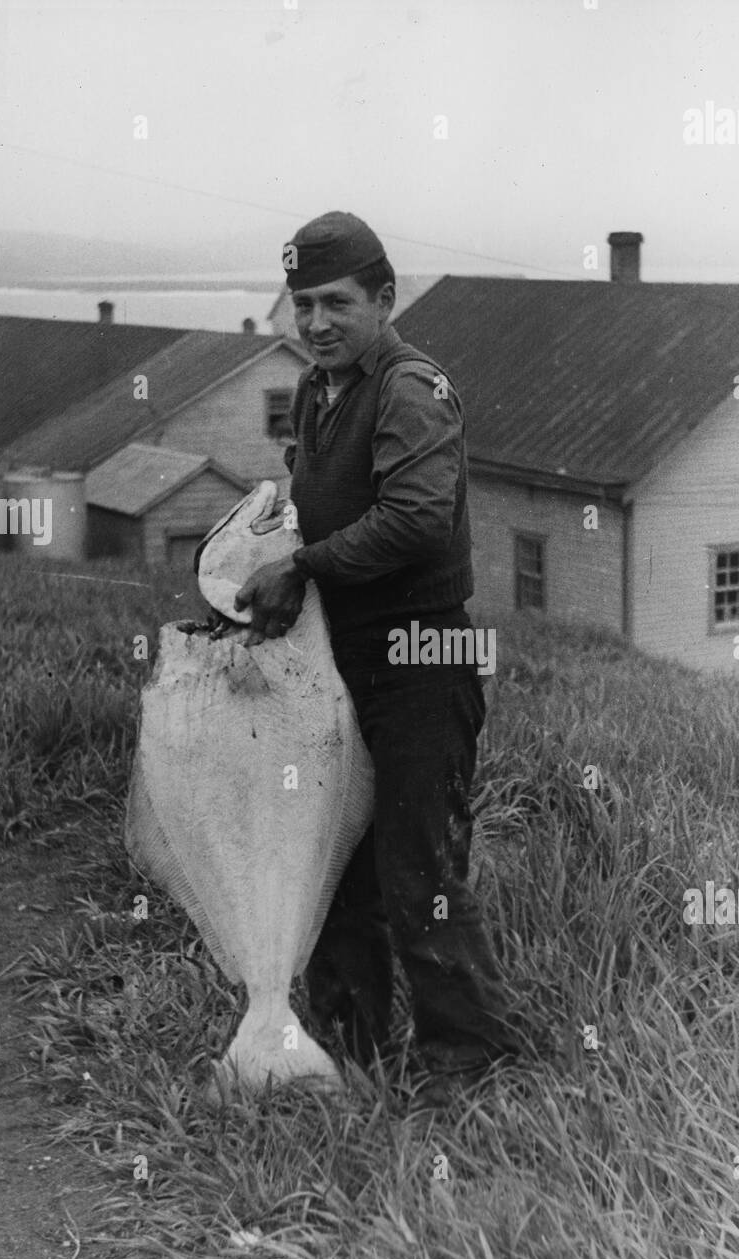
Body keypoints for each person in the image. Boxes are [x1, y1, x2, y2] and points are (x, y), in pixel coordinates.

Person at [234, 211, 521, 1107]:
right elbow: (333, 502)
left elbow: (418, 518)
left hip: (422, 657)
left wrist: (305, 566)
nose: (315, 322)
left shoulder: (409, 386)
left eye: (337, 303)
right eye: (302, 304)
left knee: (417, 868)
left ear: (385, 298)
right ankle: (350, 1051)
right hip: (345, 657)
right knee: (336, 858)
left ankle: (470, 1060)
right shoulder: (323, 390)